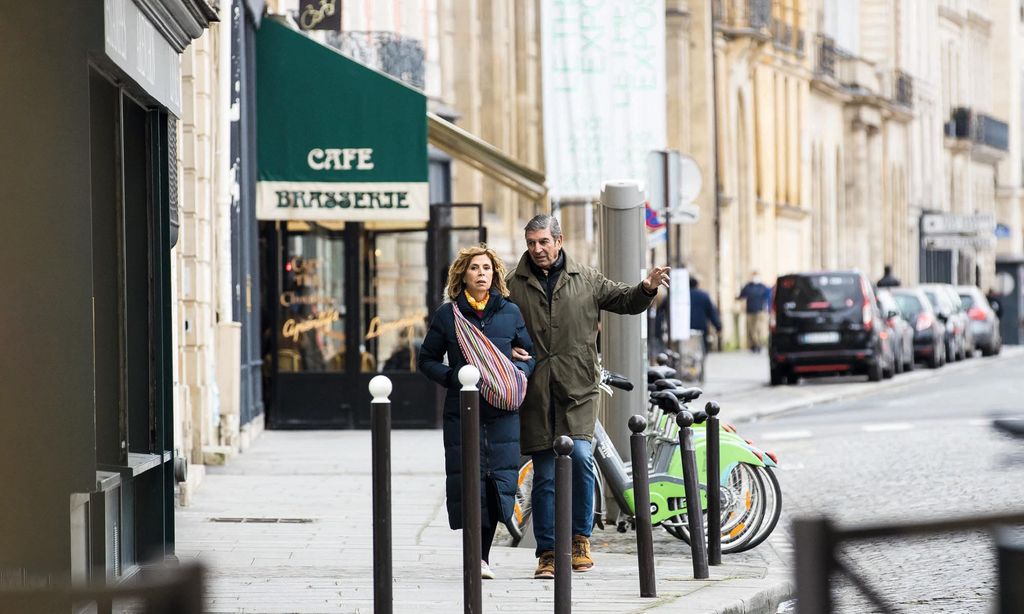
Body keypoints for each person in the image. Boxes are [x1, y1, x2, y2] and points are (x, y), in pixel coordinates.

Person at [505, 214, 669, 579]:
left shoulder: (586, 278)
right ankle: (547, 553)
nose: (537, 249)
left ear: (559, 241)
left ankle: (580, 538)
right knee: (545, 472)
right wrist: (507, 350)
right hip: (535, 389)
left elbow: (625, 300)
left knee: (580, 456)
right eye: (531, 243)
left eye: (543, 242)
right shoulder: (511, 284)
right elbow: (495, 325)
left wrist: (646, 287)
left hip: (578, 386)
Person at [418, 245, 536, 580]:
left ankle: (481, 557)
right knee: (469, 483)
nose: (481, 273)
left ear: (495, 274)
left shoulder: (510, 312)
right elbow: (425, 360)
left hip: (501, 413)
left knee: (498, 484)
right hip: (463, 412)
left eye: (486, 268)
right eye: (474, 268)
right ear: (463, 275)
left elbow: (530, 356)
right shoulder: (448, 316)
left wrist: (518, 376)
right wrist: (454, 377)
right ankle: (477, 558)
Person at [737, 271, 771, 353]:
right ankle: (754, 345)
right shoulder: (748, 286)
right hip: (750, 311)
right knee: (751, 329)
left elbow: (768, 297)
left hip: (760, 311)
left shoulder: (763, 287)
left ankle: (758, 344)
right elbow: (742, 295)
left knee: (758, 329)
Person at [689, 276, 721, 354]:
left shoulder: (681, 296)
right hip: (701, 326)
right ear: (697, 285)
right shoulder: (704, 296)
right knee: (702, 348)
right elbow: (712, 312)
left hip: (686, 326)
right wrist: (718, 326)